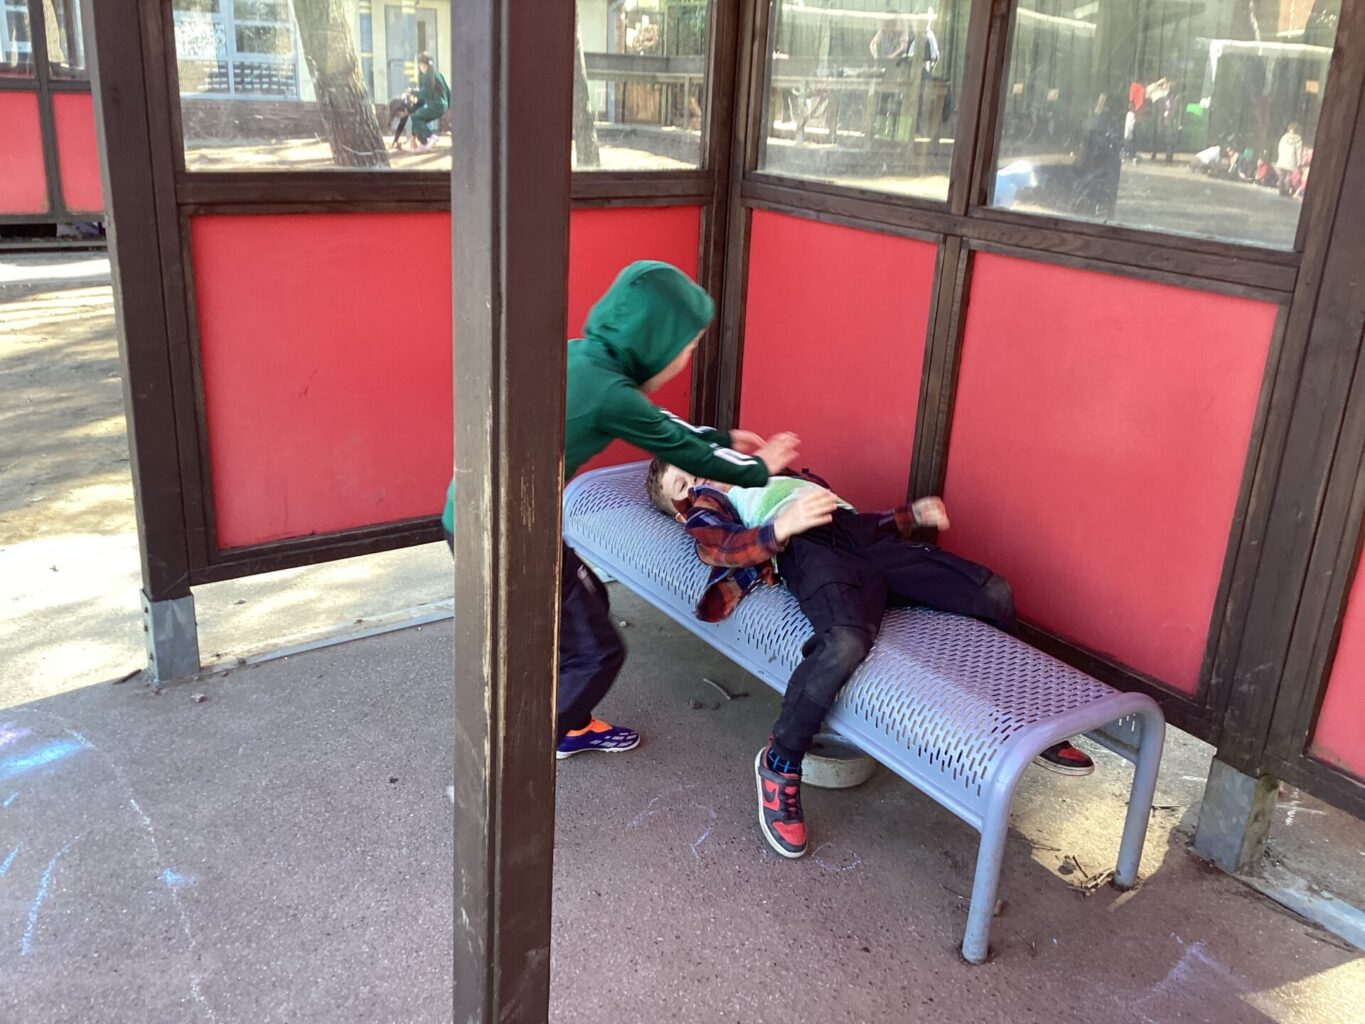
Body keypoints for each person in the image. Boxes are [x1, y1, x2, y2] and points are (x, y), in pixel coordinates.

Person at [441, 261, 801, 760]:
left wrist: (720, 439)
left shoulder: (584, 358)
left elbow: (661, 422)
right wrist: (759, 466)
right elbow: (678, 445)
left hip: (479, 520)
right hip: (509, 537)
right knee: (599, 651)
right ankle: (528, 748)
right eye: (688, 348)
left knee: (582, 611)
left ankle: (548, 710)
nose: (687, 359)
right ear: (655, 343)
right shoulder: (609, 392)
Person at [646, 461, 1095, 859]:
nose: (697, 479)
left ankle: (1029, 723)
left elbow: (858, 523)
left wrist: (907, 517)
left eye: (694, 466)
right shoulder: (711, 504)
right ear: (681, 508)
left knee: (992, 591)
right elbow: (717, 546)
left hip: (860, 540)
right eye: (683, 484)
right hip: (809, 551)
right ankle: (780, 762)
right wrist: (779, 528)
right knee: (844, 641)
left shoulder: (765, 475)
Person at [404, 52, 450, 151]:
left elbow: (425, 94)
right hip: (443, 105)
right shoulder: (438, 74)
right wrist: (449, 107)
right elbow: (448, 91)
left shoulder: (426, 76)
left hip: (434, 105)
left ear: (423, 65)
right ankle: (424, 144)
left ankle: (431, 137)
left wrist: (412, 92)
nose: (419, 67)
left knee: (415, 117)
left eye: (419, 65)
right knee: (419, 119)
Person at [1276, 122, 1305, 197]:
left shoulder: (1284, 137)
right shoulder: (1298, 140)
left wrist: (1280, 156)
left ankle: (1281, 189)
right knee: (1289, 176)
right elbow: (1299, 152)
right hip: (1291, 160)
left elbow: (1280, 148)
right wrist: (1299, 162)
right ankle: (1286, 189)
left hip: (1283, 159)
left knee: (1282, 175)